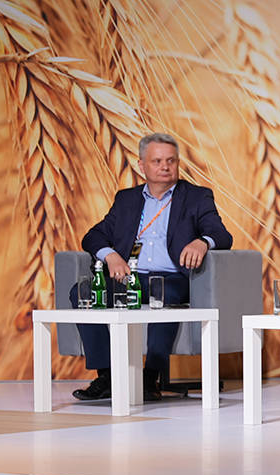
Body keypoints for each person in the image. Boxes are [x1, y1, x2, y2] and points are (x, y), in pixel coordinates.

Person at [72, 133, 233, 401]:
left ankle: (151, 376)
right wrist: (111, 256)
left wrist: (202, 242)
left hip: (170, 279)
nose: (165, 167)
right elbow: (93, 236)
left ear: (178, 163)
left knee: (164, 294)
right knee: (83, 292)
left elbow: (222, 235)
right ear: (141, 165)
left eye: (171, 160)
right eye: (157, 161)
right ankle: (108, 375)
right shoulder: (126, 199)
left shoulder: (197, 197)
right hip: (128, 278)